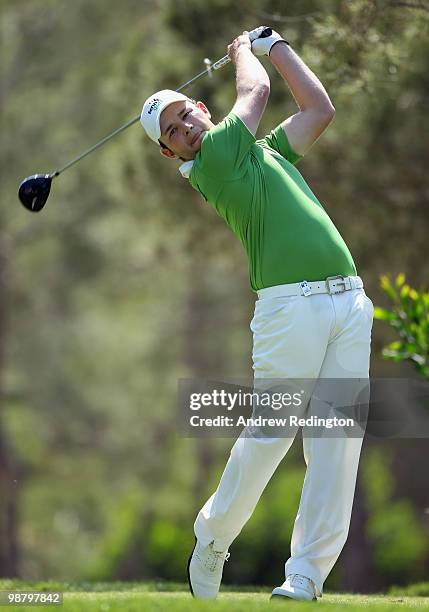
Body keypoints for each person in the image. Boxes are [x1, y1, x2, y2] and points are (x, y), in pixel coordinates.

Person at [140, 26, 373, 602]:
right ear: (172, 152)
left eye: (183, 116)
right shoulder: (216, 163)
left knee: (337, 440)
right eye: (172, 132)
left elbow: (319, 109)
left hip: (348, 300)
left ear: (199, 107)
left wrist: (278, 45)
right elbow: (258, 93)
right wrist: (246, 51)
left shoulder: (261, 152)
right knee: (272, 432)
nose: (184, 128)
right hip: (289, 308)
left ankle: (307, 576)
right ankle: (213, 537)